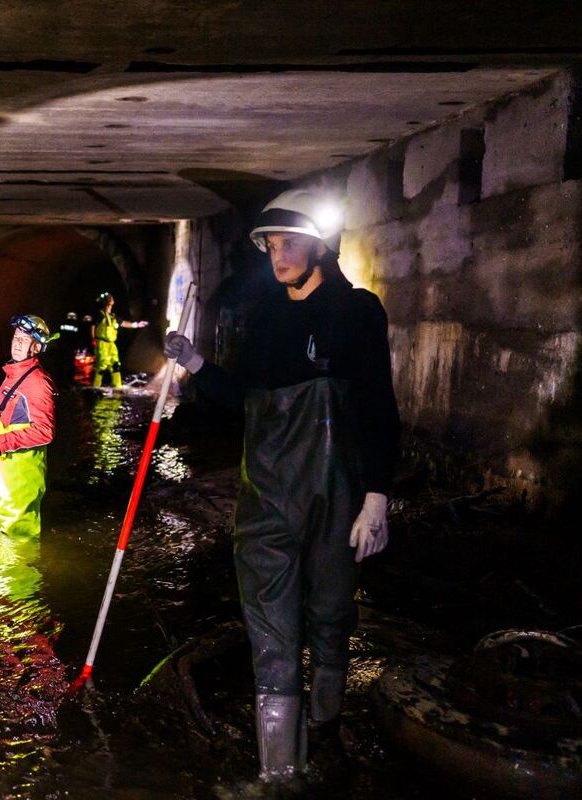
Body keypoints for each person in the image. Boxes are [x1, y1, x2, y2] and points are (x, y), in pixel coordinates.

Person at [164, 188, 401, 781]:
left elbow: (378, 407)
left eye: (290, 241)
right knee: (270, 627)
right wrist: (195, 364)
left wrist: (377, 496)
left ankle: (326, 733)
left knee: (330, 614)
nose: (279, 253)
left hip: (336, 494)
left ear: (320, 245)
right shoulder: (267, 317)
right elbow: (243, 399)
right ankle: (280, 775)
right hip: (267, 497)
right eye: (271, 243)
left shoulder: (357, 312)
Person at [0, 315, 57, 537]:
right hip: (2, 472)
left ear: (36, 347)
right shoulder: (15, 373)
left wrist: (1, 443)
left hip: (19, 476)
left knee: (18, 538)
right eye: (16, 337)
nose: (17, 342)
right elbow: (0, 414)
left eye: (24, 339)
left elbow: (45, 431)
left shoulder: (37, 383)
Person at [92, 292, 148, 388]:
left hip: (111, 345)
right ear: (108, 302)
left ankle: (117, 386)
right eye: (110, 298)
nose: (112, 299)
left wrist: (137, 325)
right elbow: (93, 326)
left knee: (115, 365)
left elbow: (124, 323)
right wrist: (93, 340)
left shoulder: (113, 317)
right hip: (102, 343)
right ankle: (96, 387)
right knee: (102, 366)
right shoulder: (100, 314)